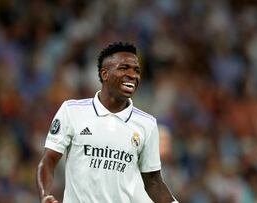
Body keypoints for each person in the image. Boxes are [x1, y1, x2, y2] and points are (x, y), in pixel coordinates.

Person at [36, 42, 178, 203]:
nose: (133, 75)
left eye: (137, 70)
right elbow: (48, 160)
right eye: (124, 68)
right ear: (105, 74)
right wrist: (44, 194)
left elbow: (153, 182)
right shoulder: (72, 111)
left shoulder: (147, 124)